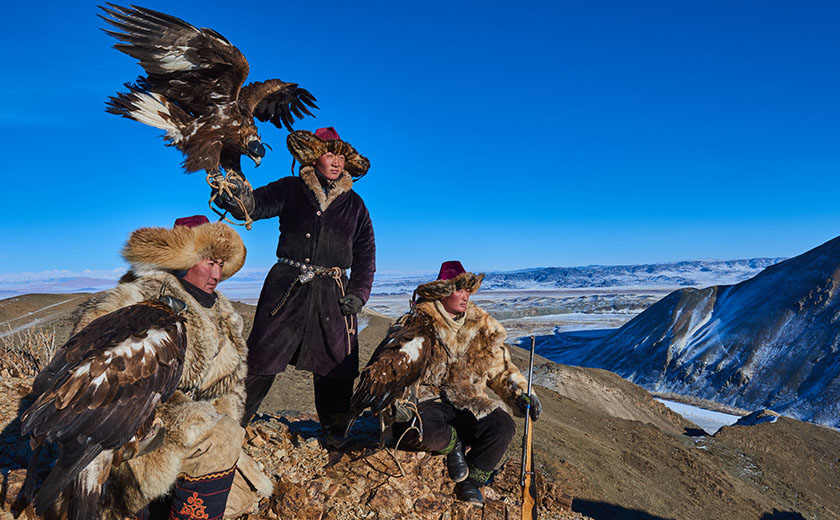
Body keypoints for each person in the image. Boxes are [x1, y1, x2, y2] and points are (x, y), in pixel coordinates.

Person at [74, 215, 271, 519]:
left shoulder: (223, 315)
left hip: (193, 431)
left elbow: (229, 390)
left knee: (238, 497)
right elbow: (84, 360)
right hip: (135, 433)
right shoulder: (140, 298)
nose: (216, 274)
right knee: (220, 438)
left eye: (221, 264)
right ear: (183, 260)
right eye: (208, 262)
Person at [214, 127, 376, 441]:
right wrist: (233, 194)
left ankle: (335, 432)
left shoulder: (355, 205)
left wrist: (358, 293)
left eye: (342, 156)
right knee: (262, 359)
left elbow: (366, 252)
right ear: (314, 155)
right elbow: (254, 206)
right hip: (287, 287)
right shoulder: (290, 188)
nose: (337, 162)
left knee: (336, 366)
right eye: (330, 154)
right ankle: (231, 426)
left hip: (333, 292)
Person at [389, 261, 542, 505]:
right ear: (442, 292)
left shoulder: (483, 328)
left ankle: (472, 482)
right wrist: (400, 404)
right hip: (426, 401)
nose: (465, 296)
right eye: (459, 289)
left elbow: (500, 369)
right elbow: (394, 370)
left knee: (502, 426)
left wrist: (522, 394)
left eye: (468, 290)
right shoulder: (415, 324)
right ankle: (454, 443)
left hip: (468, 400)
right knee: (417, 429)